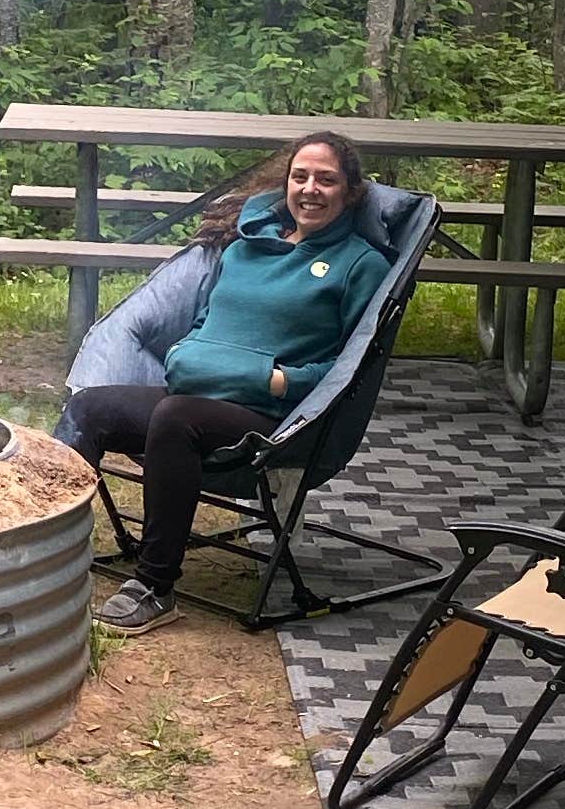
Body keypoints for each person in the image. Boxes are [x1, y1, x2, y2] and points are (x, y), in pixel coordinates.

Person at [71, 130, 390, 633]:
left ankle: (155, 584)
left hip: (268, 417)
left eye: (326, 180)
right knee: (89, 408)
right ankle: (44, 544)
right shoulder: (245, 248)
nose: (310, 189)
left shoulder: (361, 265)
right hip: (196, 390)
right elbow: (206, 320)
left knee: (176, 418)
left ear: (349, 193)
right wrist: (186, 352)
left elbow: (352, 365)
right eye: (300, 177)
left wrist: (280, 381)